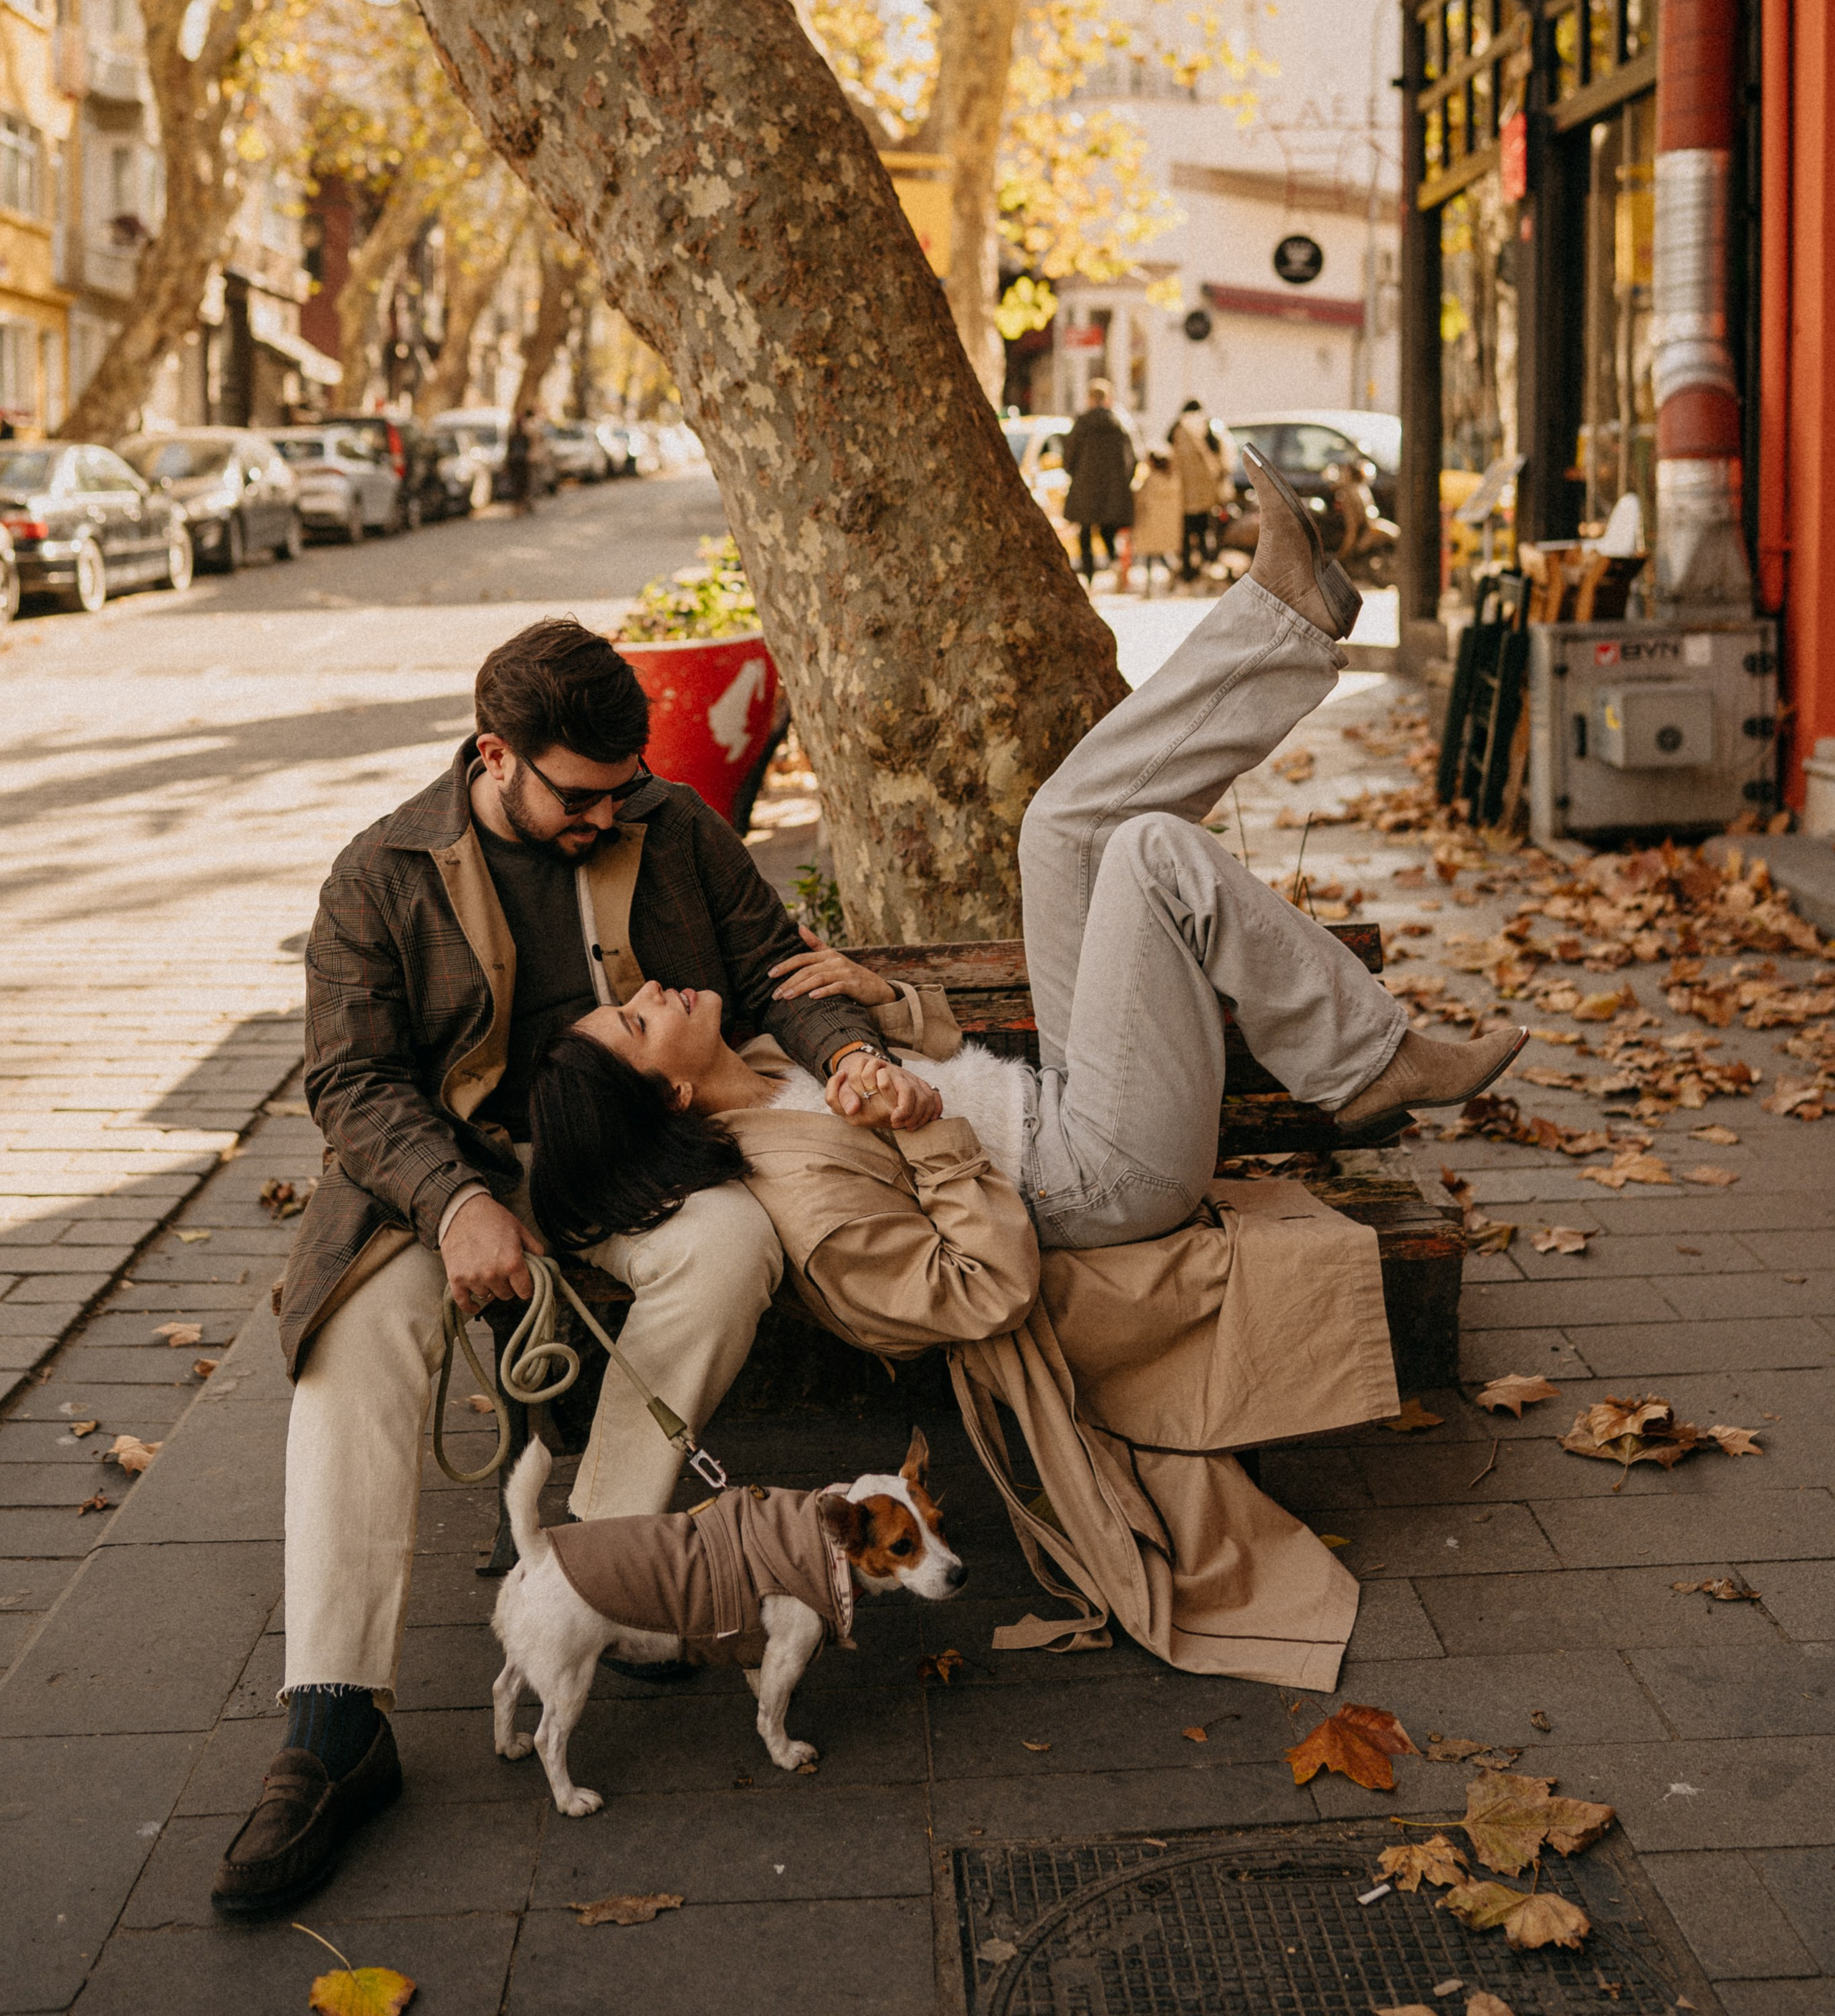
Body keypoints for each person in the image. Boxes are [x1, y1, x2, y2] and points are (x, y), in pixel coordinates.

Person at [520, 453, 1524, 1678]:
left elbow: (955, 1062)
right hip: (1101, 1176)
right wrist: (929, 1131)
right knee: (1149, 853)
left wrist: (894, 1007)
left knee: (1064, 826)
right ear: (670, 1094)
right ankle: (1370, 1060)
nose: (645, 992)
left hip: (1064, 1104)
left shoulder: (780, 1049)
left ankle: (1286, 616)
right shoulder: (802, 1197)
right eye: (634, 1024)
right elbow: (979, 1292)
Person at [211, 617, 931, 1920]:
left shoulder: (672, 824)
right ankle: (333, 1721)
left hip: (627, 1161)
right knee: (351, 1340)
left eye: (625, 786)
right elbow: (350, 1081)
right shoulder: (379, 872)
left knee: (731, 1243)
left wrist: (846, 1052)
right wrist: (454, 1200)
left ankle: (604, 1570)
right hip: (438, 1171)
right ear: (495, 756)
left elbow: (776, 966)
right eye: (582, 795)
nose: (612, 814)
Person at [1062, 379, 1135, 582]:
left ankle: (1089, 576)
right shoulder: (1120, 424)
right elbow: (1133, 457)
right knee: (1108, 529)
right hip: (1113, 488)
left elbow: (1069, 456)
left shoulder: (1082, 423)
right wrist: (1123, 482)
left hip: (1085, 487)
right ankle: (1114, 562)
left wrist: (1075, 474)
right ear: (1108, 399)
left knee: (1085, 531)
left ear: (1090, 399)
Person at [1168, 399, 1225, 581]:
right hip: (1204, 494)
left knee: (1185, 535)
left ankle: (1188, 571)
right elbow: (1219, 457)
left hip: (1183, 494)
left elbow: (1169, 451)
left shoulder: (1177, 429)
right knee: (1203, 532)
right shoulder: (1206, 428)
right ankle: (1205, 568)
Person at [1129, 445, 1182, 592]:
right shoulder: (1173, 480)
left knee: (1149, 557)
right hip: (1167, 526)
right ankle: (1174, 571)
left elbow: (1139, 499)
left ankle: (1148, 585)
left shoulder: (1150, 480)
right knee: (1162, 554)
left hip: (1149, 523)